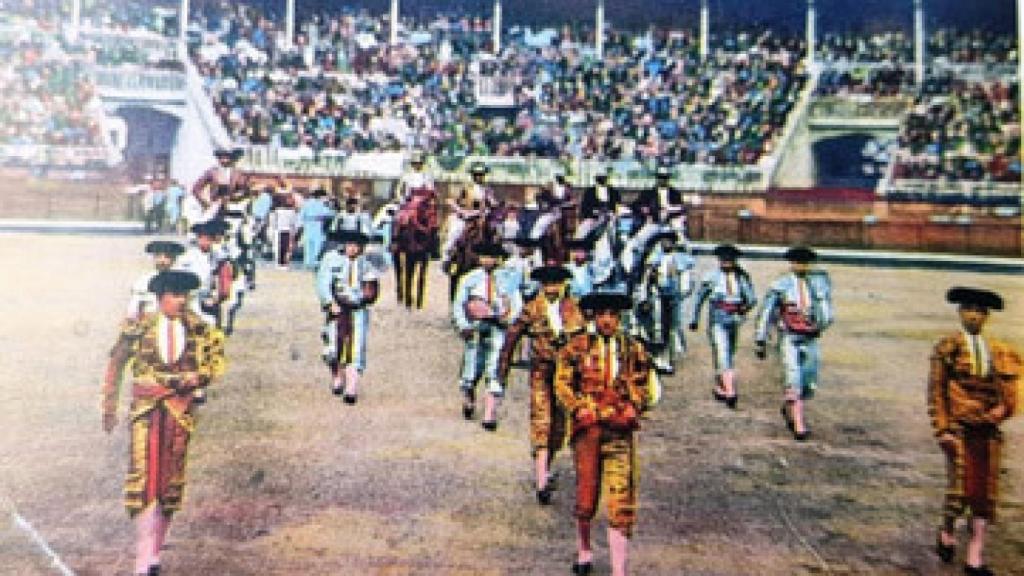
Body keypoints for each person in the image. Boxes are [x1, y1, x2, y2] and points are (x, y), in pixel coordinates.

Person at [102, 270, 226, 576]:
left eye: (185, 295)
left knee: (170, 481)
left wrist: (196, 378)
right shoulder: (139, 327)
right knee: (144, 478)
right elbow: (116, 362)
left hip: (179, 411)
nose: (181, 301)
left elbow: (214, 363)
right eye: (174, 295)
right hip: (146, 410)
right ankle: (142, 559)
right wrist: (109, 404)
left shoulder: (200, 330)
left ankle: (154, 552)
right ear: (160, 299)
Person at [554, 292, 659, 576]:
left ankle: (618, 571)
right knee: (586, 497)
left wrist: (634, 406)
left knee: (620, 501)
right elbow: (562, 384)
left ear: (620, 318)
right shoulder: (576, 348)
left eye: (613, 315)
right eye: (602, 315)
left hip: (619, 434)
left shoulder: (634, 349)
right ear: (593, 317)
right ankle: (585, 550)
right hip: (588, 432)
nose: (607, 321)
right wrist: (578, 408)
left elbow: (648, 385)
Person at [927, 287, 1019, 575]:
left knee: (984, 493)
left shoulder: (1001, 351)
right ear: (960, 313)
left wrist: (1004, 410)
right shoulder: (947, 348)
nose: (974, 316)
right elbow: (937, 392)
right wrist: (942, 428)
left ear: (987, 316)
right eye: (968, 309)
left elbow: (1012, 390)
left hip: (987, 432)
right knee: (959, 490)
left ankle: (975, 557)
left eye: (979, 311)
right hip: (958, 428)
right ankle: (947, 528)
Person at [497, 265, 585, 505]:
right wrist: (502, 370)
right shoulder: (532, 308)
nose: (552, 288)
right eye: (547, 284)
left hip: (568, 376)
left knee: (560, 426)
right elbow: (512, 337)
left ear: (564, 284)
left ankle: (545, 464)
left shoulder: (577, 309)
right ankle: (541, 479)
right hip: (541, 371)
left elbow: (589, 343)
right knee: (541, 419)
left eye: (556, 283)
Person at [754, 246, 834, 440]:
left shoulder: (819, 284)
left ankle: (790, 407)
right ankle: (799, 424)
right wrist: (761, 338)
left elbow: (827, 310)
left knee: (809, 382)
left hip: (811, 336)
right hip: (789, 336)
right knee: (793, 378)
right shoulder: (781, 284)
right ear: (791, 263)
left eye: (805, 262)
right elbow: (766, 312)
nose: (801, 266)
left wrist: (821, 324)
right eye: (797, 262)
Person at [452, 241, 521, 429]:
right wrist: (463, 324)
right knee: (472, 365)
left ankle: (489, 413)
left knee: (495, 367)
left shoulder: (508, 279)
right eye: (484, 257)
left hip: (498, 327)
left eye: (491, 257)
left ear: (498, 259)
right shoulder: (469, 279)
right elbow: (459, 304)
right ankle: (469, 394)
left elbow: (516, 303)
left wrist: (508, 318)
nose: (487, 260)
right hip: (475, 327)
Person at [688, 244, 757, 408]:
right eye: (724, 260)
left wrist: (744, 308)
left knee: (729, 352)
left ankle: (721, 386)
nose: (727, 263)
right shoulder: (711, 277)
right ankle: (731, 390)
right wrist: (694, 318)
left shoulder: (742, 278)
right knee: (722, 352)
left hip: (734, 319)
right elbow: (699, 298)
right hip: (717, 319)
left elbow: (752, 298)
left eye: (730, 260)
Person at [316, 230, 380, 403]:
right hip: (337, 308)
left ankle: (352, 387)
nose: (353, 248)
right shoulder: (331, 259)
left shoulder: (366, 264)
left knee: (356, 347)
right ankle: (337, 375)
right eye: (350, 244)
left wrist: (370, 294)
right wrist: (329, 303)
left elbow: (372, 286)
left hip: (358, 309)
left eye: (357, 245)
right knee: (333, 346)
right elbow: (323, 282)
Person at [441, 162, 498, 269]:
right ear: (473, 175)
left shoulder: (488, 189)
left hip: (482, 217)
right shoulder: (466, 188)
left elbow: (493, 203)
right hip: (467, 217)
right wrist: (462, 212)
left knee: (495, 231)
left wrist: (492, 205)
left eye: (481, 174)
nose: (479, 177)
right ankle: (447, 256)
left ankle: (497, 256)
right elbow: (453, 202)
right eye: (477, 174)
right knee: (455, 232)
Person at [126, 241, 186, 321]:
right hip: (149, 323)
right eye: (158, 256)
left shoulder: (182, 281)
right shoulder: (143, 281)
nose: (162, 260)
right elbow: (133, 309)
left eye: (167, 257)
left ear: (174, 259)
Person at [575, 167, 621, 240]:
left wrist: (613, 212)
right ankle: (579, 248)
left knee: (613, 228)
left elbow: (618, 206)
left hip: (610, 217)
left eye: (604, 177)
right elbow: (584, 207)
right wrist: (594, 212)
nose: (602, 179)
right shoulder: (590, 191)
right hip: (593, 218)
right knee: (582, 230)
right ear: (596, 179)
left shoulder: (614, 191)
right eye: (600, 177)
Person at [298, 188, 337, 270]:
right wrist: (333, 209)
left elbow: (301, 216)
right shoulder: (321, 204)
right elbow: (329, 213)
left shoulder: (306, 203)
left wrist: (300, 225)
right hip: (318, 226)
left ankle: (307, 262)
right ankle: (314, 262)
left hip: (308, 225)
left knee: (308, 246)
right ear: (321, 196)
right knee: (317, 246)